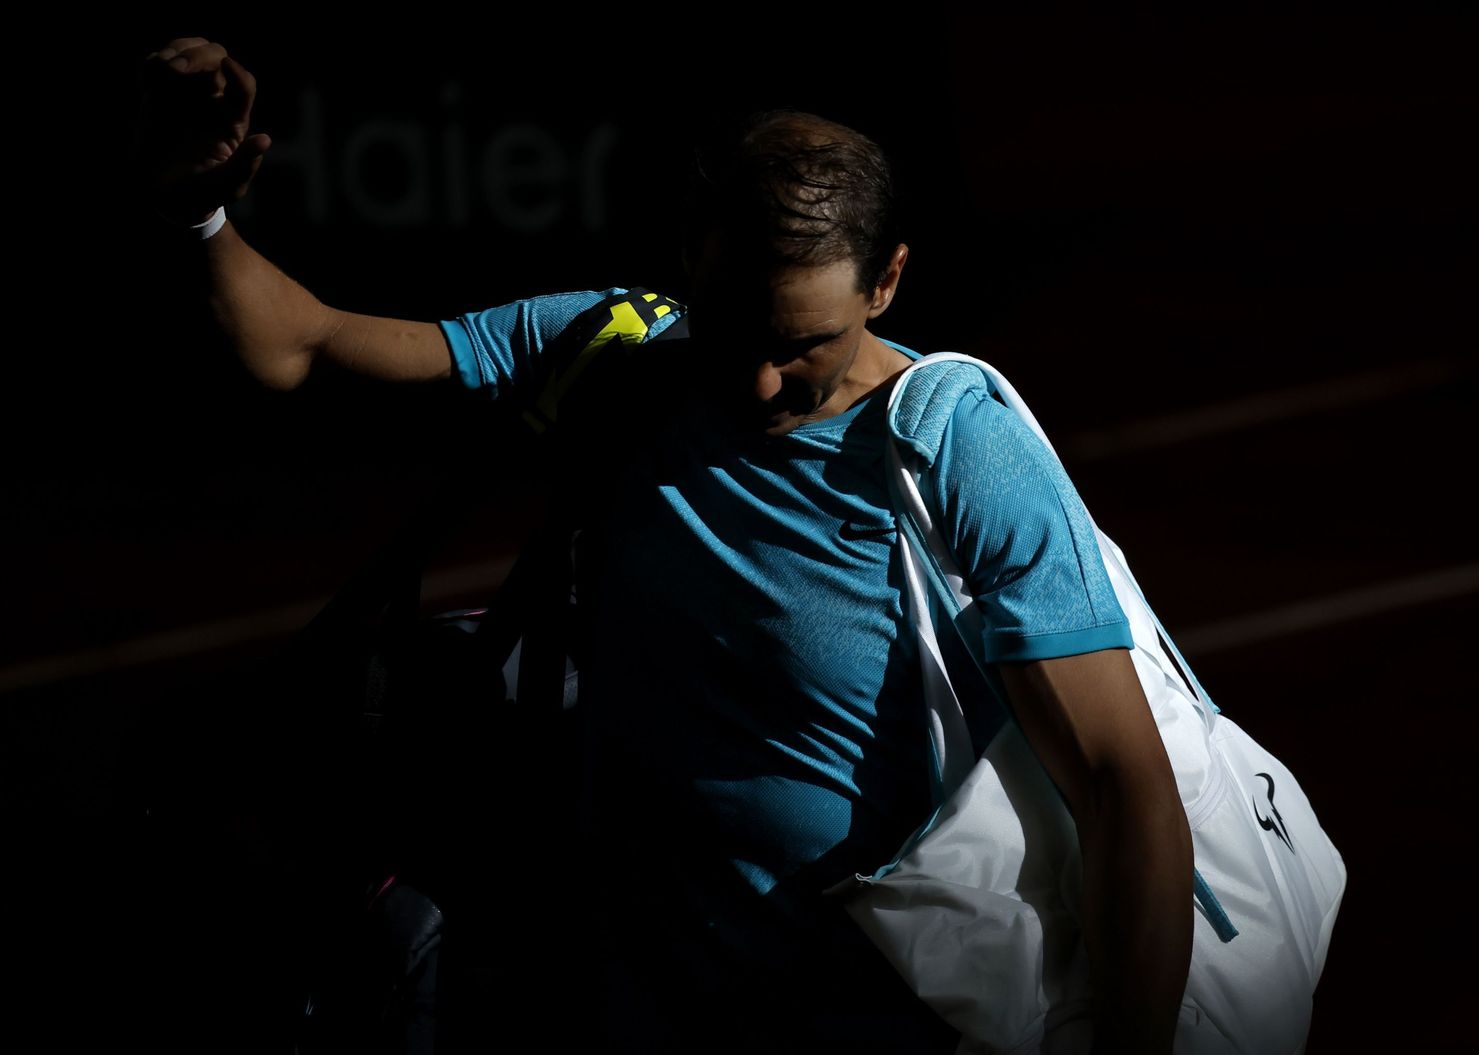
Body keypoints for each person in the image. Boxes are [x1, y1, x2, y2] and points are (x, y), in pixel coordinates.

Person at [138, 37, 1195, 1054]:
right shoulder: (623, 350)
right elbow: (301, 342)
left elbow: (1120, 783)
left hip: (878, 1010)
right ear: (693, 249)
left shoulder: (960, 446)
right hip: (641, 995)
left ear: (886, 283)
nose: (759, 385)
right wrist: (202, 215)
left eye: (802, 348)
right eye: (737, 329)